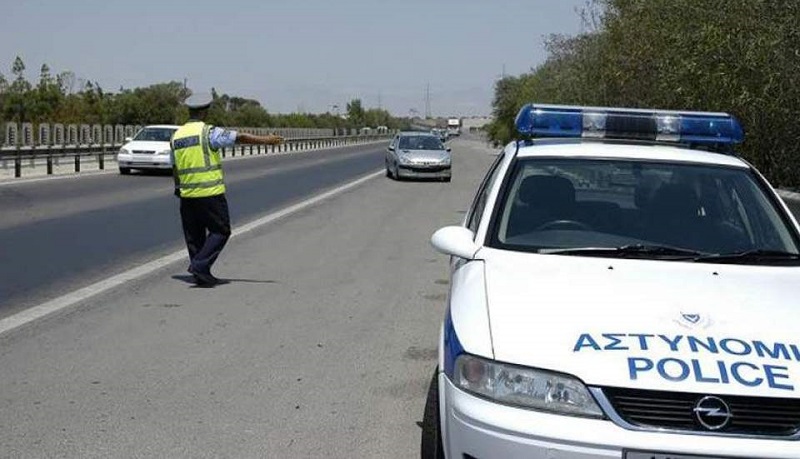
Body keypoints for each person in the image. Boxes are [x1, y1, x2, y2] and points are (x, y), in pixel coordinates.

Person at [171, 92, 284, 286]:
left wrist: (179, 188)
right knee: (220, 231)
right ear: (205, 111)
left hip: (187, 194)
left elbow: (174, 167)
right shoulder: (208, 132)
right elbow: (238, 137)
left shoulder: (176, 136)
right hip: (209, 193)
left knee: (194, 236)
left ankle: (201, 273)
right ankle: (199, 265)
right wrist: (266, 140)